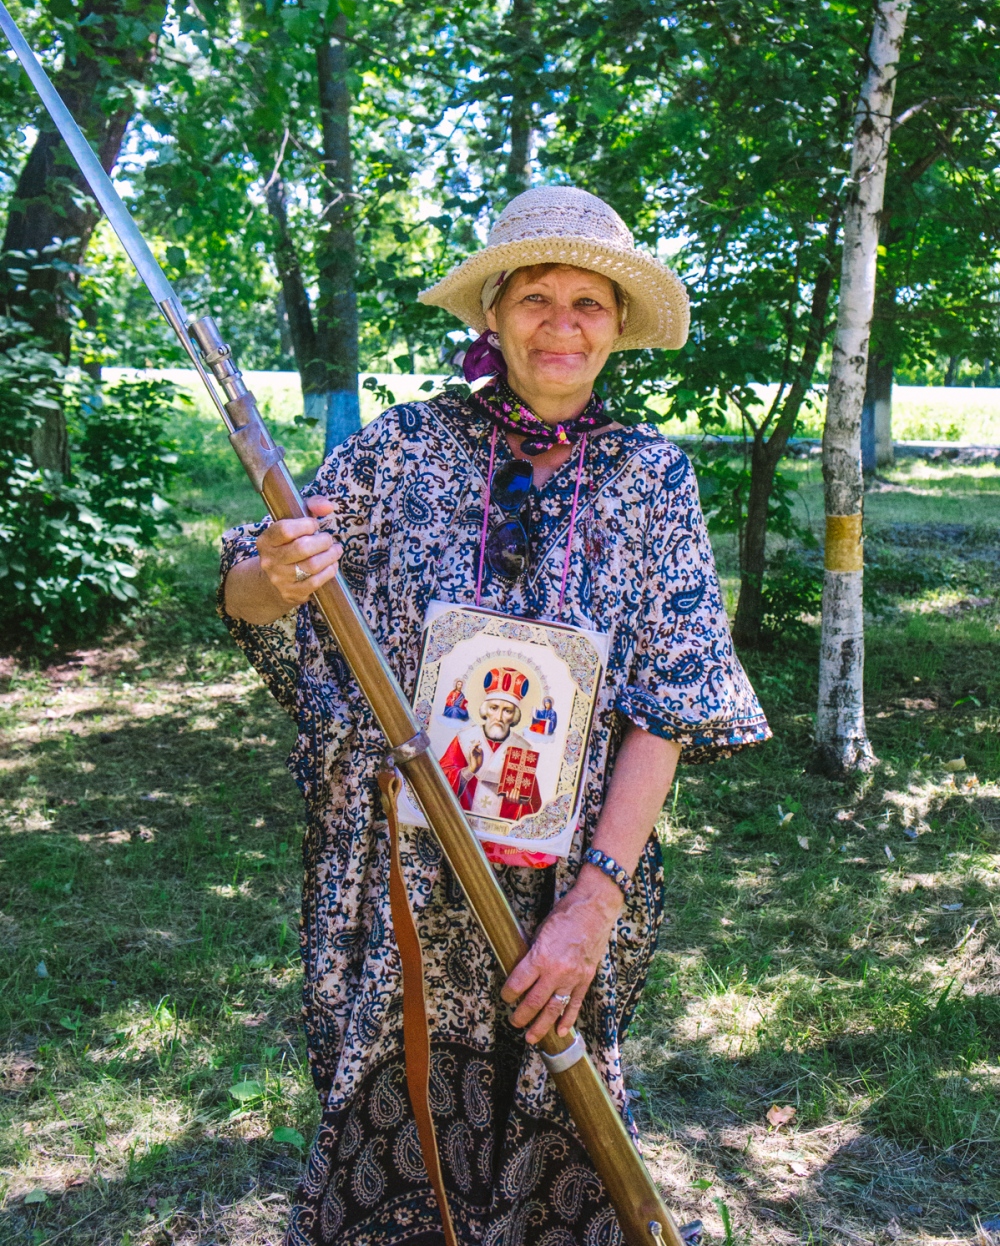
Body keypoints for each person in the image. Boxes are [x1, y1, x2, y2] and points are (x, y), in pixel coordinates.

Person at [220, 184, 770, 1246]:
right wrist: (272, 574)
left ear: (618, 323)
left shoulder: (652, 479)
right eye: (535, 298)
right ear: (493, 313)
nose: (562, 324)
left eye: (587, 302)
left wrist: (593, 908)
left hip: (566, 882)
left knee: (562, 1127)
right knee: (395, 1128)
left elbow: (669, 706)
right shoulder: (400, 449)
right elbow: (254, 585)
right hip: (395, 872)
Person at [439, 664, 542, 819]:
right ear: (485, 710)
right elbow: (438, 783)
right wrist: (470, 770)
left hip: (500, 830)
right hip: (461, 823)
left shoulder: (522, 748)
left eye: (507, 711)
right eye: (494, 708)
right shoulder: (464, 739)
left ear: (514, 716)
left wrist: (519, 801)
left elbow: (533, 805)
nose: (499, 717)